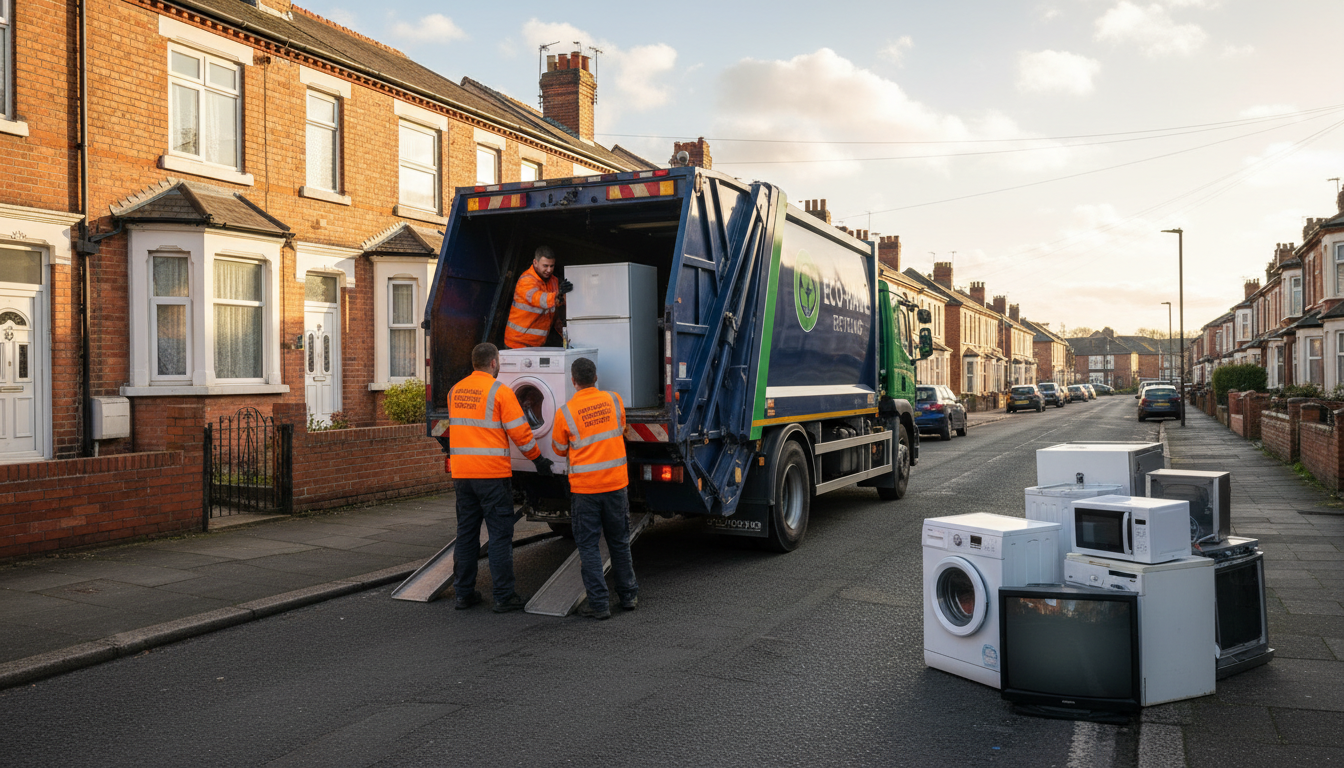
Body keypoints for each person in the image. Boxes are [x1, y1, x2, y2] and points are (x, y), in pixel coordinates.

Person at [447, 342, 554, 612]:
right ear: (494, 363)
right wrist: (538, 460)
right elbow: (521, 433)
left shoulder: (455, 391)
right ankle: (504, 596)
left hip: (462, 475)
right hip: (491, 475)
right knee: (499, 535)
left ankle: (463, 594)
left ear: (475, 363)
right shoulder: (500, 392)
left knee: (467, 534)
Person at [550, 357, 638, 620]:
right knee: (619, 543)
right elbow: (621, 427)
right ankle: (629, 596)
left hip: (585, 491)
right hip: (615, 485)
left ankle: (599, 605)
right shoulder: (613, 400)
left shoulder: (565, 412)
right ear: (596, 377)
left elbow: (558, 448)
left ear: (573, 380)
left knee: (588, 547)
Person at [505, 245, 573, 349]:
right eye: (545, 266)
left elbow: (554, 309)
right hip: (517, 344)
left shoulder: (553, 281)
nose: (549, 270)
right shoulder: (526, 280)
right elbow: (540, 299)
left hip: (537, 345)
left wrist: (567, 337)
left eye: (552, 266)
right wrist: (559, 293)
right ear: (535, 263)